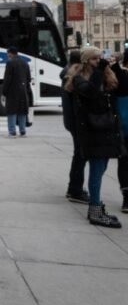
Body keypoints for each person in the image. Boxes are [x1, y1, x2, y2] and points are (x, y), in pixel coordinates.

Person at [65, 47, 122, 228]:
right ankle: (95, 209)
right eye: (94, 59)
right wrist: (100, 70)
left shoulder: (104, 75)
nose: (98, 61)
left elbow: (121, 87)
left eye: (100, 58)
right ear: (86, 61)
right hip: (91, 131)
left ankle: (96, 207)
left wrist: (115, 67)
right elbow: (90, 92)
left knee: (101, 168)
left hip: (106, 129)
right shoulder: (79, 78)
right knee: (96, 171)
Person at [61, 50, 89, 203]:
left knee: (79, 154)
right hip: (77, 122)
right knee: (80, 155)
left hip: (72, 121)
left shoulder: (67, 74)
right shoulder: (74, 77)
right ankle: (75, 189)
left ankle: (74, 187)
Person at [110, 52, 128, 213]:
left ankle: (126, 197)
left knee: (124, 163)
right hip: (123, 127)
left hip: (121, 128)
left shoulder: (118, 77)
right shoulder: (121, 77)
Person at [3, 46, 31, 138]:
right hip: (23, 91)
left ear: (10, 53)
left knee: (11, 111)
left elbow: (7, 79)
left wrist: (4, 91)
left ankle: (12, 132)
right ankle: (23, 131)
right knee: (22, 111)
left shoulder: (10, 63)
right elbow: (28, 78)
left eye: (8, 53)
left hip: (12, 91)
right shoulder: (25, 63)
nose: (8, 55)